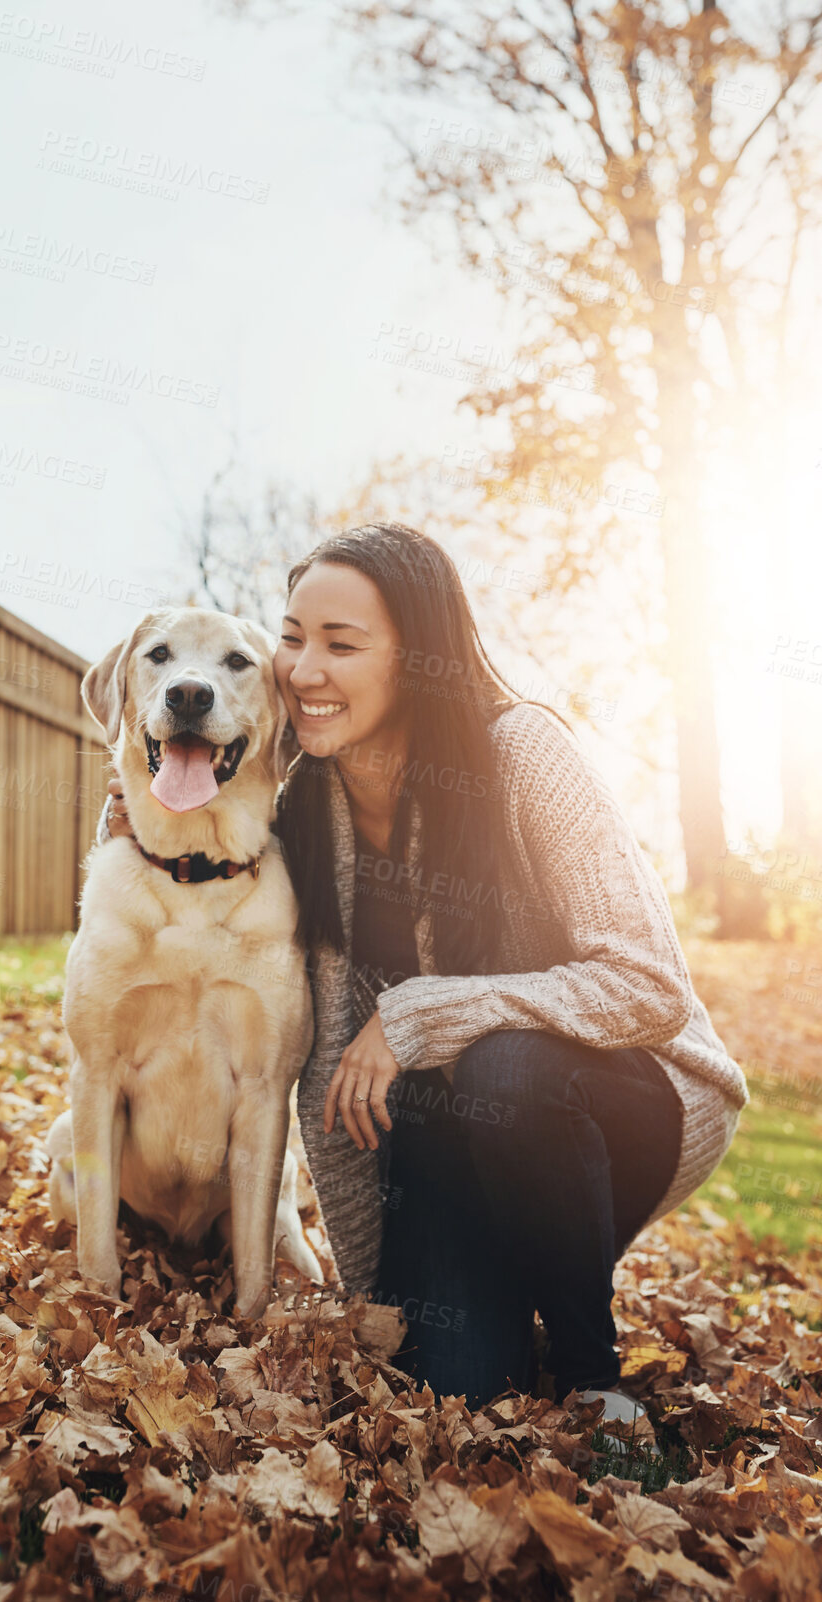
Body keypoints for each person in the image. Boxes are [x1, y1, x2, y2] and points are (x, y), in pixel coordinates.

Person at [96, 523, 748, 1434]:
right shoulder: (306, 805)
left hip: (624, 1094)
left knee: (503, 1065)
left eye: (343, 646)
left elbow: (647, 986)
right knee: (454, 1382)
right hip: (452, 1135)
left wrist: (423, 1015)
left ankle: (596, 1375)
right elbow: (314, 1057)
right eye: (292, 638)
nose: (303, 670)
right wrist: (375, 1291)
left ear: (420, 659)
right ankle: (523, 1277)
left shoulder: (525, 752)